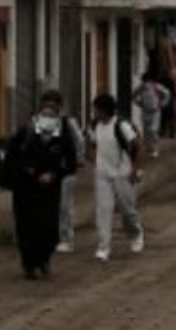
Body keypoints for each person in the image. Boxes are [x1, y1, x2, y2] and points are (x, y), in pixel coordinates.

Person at [7, 90, 79, 279]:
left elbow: (71, 163)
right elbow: (12, 157)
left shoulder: (63, 135)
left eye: (52, 114)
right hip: (26, 189)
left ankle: (44, 258)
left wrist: (54, 175)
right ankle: (29, 264)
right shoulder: (26, 132)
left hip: (49, 190)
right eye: (44, 113)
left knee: (48, 228)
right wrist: (28, 173)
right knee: (26, 227)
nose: (48, 118)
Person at [87, 93, 146, 261]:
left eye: (96, 110)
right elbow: (91, 145)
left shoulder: (121, 126)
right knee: (103, 210)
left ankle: (135, 233)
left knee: (127, 210)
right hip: (102, 175)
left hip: (122, 174)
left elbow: (139, 146)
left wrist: (136, 169)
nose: (94, 113)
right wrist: (93, 159)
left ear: (104, 110)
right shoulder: (95, 126)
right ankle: (103, 247)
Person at [56, 100, 88, 252]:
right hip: (49, 171)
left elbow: (80, 141)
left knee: (64, 206)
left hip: (67, 170)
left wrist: (79, 159)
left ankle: (66, 238)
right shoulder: (40, 123)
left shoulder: (68, 123)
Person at [133, 72, 169, 158]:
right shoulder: (141, 88)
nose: (146, 84)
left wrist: (163, 103)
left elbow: (167, 93)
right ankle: (149, 147)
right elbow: (134, 95)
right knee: (146, 132)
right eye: (144, 82)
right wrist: (139, 103)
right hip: (145, 111)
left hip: (155, 111)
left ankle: (155, 149)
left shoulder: (156, 87)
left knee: (153, 130)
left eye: (147, 82)